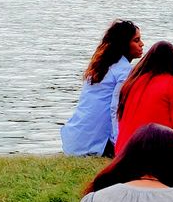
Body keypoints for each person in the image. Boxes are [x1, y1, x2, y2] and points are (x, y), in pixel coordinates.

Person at [62, 20, 144, 157]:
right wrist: (120, 145)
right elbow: (115, 109)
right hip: (95, 142)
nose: (142, 44)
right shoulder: (124, 70)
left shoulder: (101, 66)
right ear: (124, 45)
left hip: (76, 138)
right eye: (136, 40)